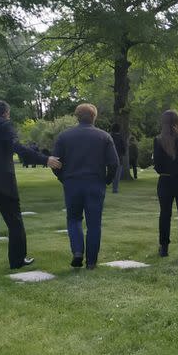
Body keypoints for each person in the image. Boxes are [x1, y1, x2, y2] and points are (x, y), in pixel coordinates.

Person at [0, 100, 61, 276]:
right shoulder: (5, 126)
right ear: (5, 113)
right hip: (2, 181)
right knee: (14, 222)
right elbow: (18, 148)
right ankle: (17, 260)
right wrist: (44, 159)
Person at [53, 103, 119, 270]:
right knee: (94, 224)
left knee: (73, 219)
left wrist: (64, 178)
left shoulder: (64, 136)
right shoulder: (104, 137)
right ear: (94, 117)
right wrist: (107, 180)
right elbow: (114, 163)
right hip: (95, 182)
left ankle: (77, 251)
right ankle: (91, 261)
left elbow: (55, 163)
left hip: (72, 182)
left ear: (77, 116)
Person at [153, 110, 178, 264]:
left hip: (165, 181)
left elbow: (157, 165)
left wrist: (167, 169)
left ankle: (164, 246)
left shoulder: (158, 140)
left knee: (165, 214)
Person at [109, 123, 126, 193]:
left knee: (109, 172)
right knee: (117, 175)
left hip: (109, 158)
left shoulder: (109, 136)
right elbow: (124, 149)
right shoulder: (121, 138)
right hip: (119, 158)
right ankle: (115, 189)